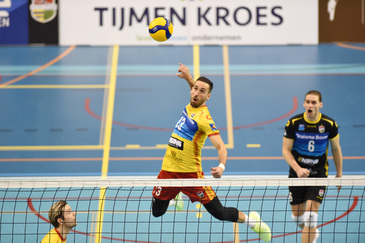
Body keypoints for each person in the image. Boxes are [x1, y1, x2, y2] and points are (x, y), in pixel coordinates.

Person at [151, 63, 271, 242]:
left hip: (192, 176)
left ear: (208, 97)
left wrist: (222, 166)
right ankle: (175, 195)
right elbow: (196, 90)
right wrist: (189, 78)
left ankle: (252, 221)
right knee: (157, 212)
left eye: (202, 91)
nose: (196, 93)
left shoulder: (205, 120)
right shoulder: (191, 103)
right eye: (195, 89)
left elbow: (221, 147)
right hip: (168, 171)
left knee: (219, 213)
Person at [282, 90, 343, 243]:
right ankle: (312, 231)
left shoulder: (329, 124)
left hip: (319, 173)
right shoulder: (294, 123)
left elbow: (336, 149)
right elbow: (285, 150)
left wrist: (339, 175)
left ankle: (310, 232)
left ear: (320, 105)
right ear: (304, 104)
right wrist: (297, 169)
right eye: (308, 102)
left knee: (310, 215)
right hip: (297, 173)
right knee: (297, 218)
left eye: (314, 102)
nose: (310, 105)